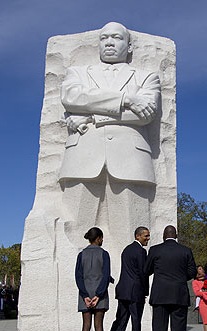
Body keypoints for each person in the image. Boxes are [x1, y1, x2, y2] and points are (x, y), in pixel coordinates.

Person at [59, 21, 162, 247]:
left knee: (131, 238)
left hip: (130, 160)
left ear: (130, 46)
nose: (109, 43)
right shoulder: (78, 72)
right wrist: (126, 100)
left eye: (116, 38)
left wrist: (93, 115)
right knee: (73, 234)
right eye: (104, 38)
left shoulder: (147, 77)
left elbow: (145, 115)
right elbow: (72, 98)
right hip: (82, 156)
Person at [146, 225, 197, 331]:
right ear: (176, 235)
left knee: (159, 330)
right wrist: (180, 278)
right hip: (179, 294)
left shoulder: (155, 250)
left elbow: (147, 270)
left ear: (163, 235)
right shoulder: (185, 251)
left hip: (160, 295)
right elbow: (192, 271)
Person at [102, 227, 150, 331]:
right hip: (136, 293)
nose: (148, 238)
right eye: (146, 236)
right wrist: (145, 291)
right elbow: (143, 273)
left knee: (119, 323)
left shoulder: (126, 249)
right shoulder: (141, 251)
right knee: (136, 325)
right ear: (138, 236)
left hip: (123, 291)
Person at [75, 227, 111, 331]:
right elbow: (106, 275)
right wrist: (98, 295)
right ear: (99, 238)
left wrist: (85, 295)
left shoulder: (81, 254)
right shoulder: (104, 254)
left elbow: (78, 276)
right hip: (99, 294)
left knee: (86, 326)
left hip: (85, 293)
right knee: (98, 326)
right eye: (101, 238)